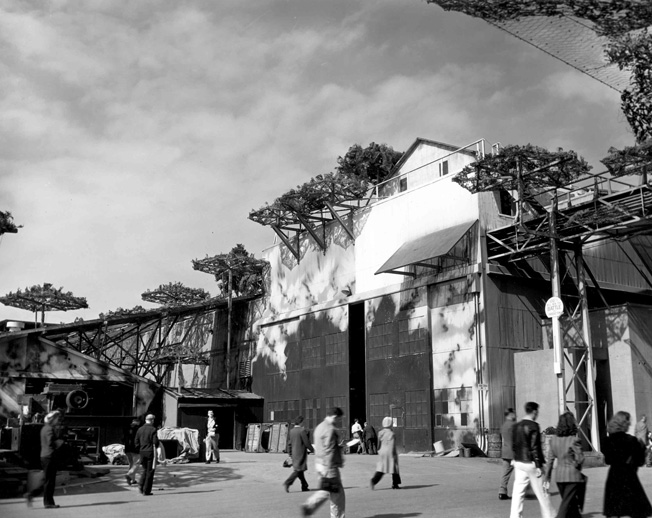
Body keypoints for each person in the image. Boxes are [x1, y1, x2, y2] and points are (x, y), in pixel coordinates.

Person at [603, 410, 652, 518]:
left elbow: (608, 460)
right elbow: (639, 462)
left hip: (614, 477)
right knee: (636, 510)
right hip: (629, 477)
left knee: (615, 511)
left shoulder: (607, 441)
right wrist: (642, 450)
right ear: (624, 423)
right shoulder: (631, 440)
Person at [510, 401, 554, 518]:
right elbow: (535, 447)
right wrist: (539, 465)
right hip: (531, 463)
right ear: (534, 411)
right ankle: (549, 515)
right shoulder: (534, 426)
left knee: (518, 493)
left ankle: (514, 516)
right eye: (537, 411)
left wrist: (514, 459)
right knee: (542, 492)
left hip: (519, 462)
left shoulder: (516, 426)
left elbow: (514, 445)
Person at [301, 407, 345, 518]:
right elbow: (329, 449)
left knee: (327, 489)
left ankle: (310, 504)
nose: (339, 421)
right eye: (339, 419)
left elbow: (321, 446)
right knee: (337, 495)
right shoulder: (330, 429)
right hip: (329, 465)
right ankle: (337, 516)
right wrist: (329, 467)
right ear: (335, 416)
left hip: (319, 463)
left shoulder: (319, 427)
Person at [543, 412, 585, 518]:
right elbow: (580, 459)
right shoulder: (574, 440)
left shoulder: (553, 441)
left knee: (572, 505)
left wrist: (547, 477)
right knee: (566, 505)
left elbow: (550, 461)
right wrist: (575, 463)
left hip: (559, 477)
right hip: (572, 477)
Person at [25, 410, 65, 509]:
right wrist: (59, 443)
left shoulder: (45, 428)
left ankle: (32, 495)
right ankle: (48, 503)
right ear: (52, 419)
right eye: (57, 419)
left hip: (45, 456)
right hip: (49, 456)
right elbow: (50, 443)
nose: (58, 421)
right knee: (49, 481)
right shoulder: (49, 429)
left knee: (47, 480)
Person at [283, 415, 315, 492]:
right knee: (298, 470)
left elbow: (289, 443)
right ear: (301, 422)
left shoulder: (292, 431)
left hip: (294, 453)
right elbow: (307, 442)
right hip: (301, 453)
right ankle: (288, 482)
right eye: (304, 421)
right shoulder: (302, 430)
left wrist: (290, 453)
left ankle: (304, 486)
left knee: (299, 470)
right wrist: (312, 450)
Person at [370, 416, 401, 490]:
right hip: (389, 452)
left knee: (381, 469)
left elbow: (378, 444)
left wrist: (378, 450)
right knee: (394, 468)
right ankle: (395, 484)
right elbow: (392, 444)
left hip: (382, 451)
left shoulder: (380, 433)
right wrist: (394, 454)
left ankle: (373, 481)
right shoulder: (391, 433)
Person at [135, 413, 159, 496]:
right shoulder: (153, 429)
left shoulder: (140, 429)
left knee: (145, 469)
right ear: (152, 420)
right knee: (150, 471)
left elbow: (136, 442)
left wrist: (140, 449)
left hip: (142, 452)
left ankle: (141, 486)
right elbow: (155, 442)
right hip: (150, 452)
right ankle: (146, 490)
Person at [499, 407, 516, 501]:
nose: (515, 415)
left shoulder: (504, 425)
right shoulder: (513, 425)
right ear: (510, 414)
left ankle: (502, 491)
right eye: (514, 413)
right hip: (513, 452)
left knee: (505, 473)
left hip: (505, 451)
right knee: (522, 472)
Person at [124, 419, 141, 485]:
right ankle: (129, 475)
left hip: (127, 448)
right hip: (135, 449)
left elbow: (123, 438)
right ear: (137, 423)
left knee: (131, 464)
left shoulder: (126, 428)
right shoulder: (138, 429)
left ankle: (132, 480)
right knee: (136, 463)